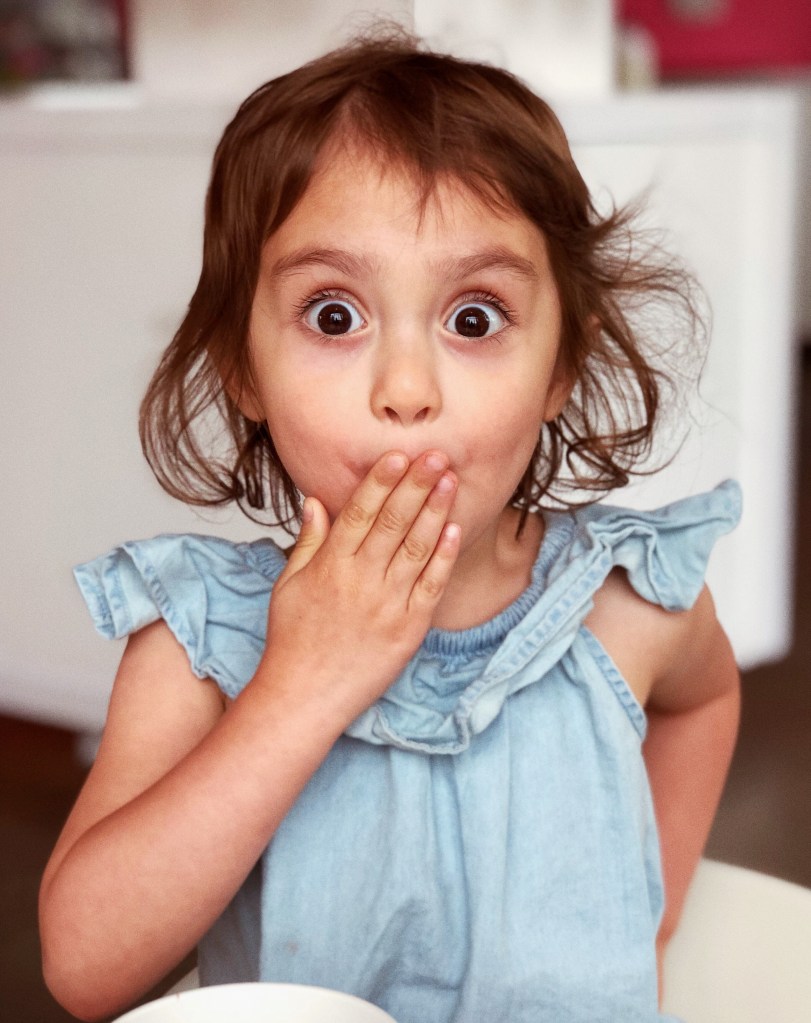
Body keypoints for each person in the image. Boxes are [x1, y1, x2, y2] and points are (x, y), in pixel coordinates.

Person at [39, 29, 741, 1023]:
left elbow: (702, 704)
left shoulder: (629, 606)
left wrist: (651, 911)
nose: (405, 390)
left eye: (473, 319)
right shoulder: (203, 646)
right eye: (333, 317)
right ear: (243, 369)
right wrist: (298, 687)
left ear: (561, 369)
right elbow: (82, 968)